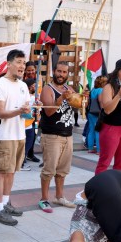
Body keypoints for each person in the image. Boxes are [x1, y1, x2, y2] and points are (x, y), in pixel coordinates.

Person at [0, 49, 30, 225]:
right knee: (2, 172)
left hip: (20, 134)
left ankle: (6, 203)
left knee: (12, 171)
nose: (22, 66)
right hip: (5, 136)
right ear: (9, 64)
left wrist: (29, 111)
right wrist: (20, 111)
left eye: (24, 62)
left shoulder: (23, 85)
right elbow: (0, 113)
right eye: (19, 62)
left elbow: (23, 113)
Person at [37, 61, 77, 213]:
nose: (61, 75)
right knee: (49, 170)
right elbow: (49, 111)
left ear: (68, 74)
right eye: (59, 71)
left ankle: (59, 196)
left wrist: (82, 98)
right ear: (54, 72)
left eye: (64, 72)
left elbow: (78, 104)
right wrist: (62, 98)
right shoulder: (48, 89)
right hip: (52, 135)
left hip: (68, 135)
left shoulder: (69, 88)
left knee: (62, 170)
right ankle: (44, 199)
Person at [86, 75, 106, 155]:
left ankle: (90, 148)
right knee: (98, 130)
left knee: (91, 130)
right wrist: (103, 111)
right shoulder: (101, 90)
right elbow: (101, 101)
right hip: (97, 113)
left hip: (91, 112)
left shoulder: (93, 90)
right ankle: (99, 150)